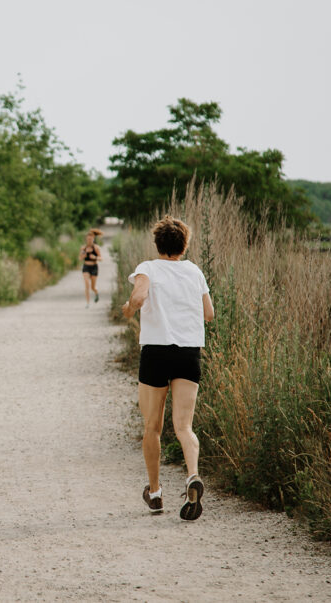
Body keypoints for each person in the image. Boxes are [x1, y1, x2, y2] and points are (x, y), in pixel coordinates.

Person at [121, 215, 215, 520]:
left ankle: (156, 492)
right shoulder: (195, 271)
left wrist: (129, 307)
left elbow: (138, 295)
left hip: (157, 351)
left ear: (157, 243)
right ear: (184, 245)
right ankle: (192, 475)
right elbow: (209, 314)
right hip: (189, 353)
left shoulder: (147, 268)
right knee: (184, 426)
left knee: (153, 427)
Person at [80, 229, 102, 308]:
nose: (89, 240)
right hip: (86, 267)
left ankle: (96, 292)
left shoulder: (96, 248)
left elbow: (101, 258)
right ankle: (88, 303)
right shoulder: (83, 248)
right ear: (86, 239)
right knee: (87, 285)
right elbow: (80, 258)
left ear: (93, 239)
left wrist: (95, 257)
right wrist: (84, 255)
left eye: (91, 239)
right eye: (88, 239)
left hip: (94, 267)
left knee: (92, 287)